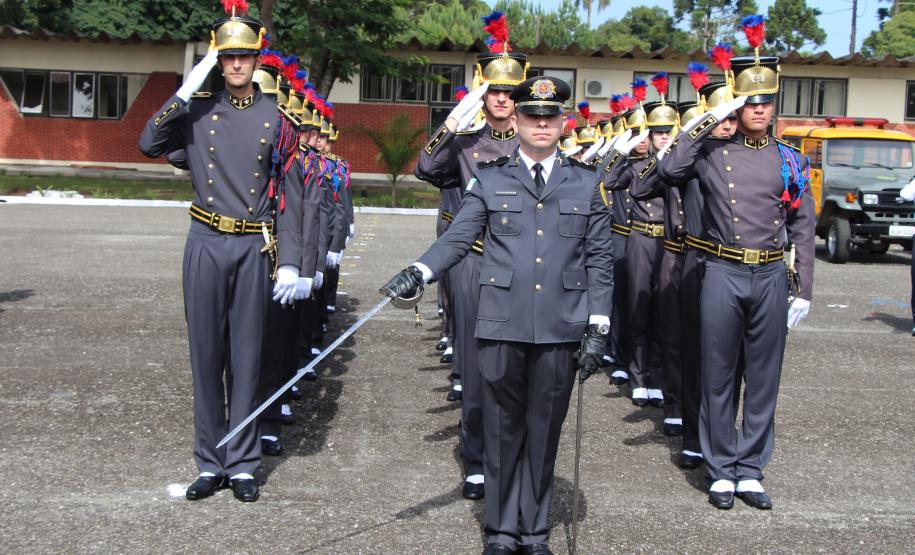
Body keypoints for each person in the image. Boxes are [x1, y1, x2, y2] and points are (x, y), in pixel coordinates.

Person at [382, 76, 612, 555]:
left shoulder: (587, 183)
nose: (541, 125)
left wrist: (599, 324)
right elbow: (458, 237)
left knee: (544, 432)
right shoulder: (490, 178)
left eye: (550, 118)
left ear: (563, 124)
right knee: (503, 432)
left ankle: (535, 533)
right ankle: (502, 532)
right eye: (532, 116)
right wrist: (419, 271)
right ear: (518, 120)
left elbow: (599, 261)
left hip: (559, 327)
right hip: (501, 322)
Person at [138, 4, 307, 502]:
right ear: (217, 60)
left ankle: (244, 463)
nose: (236, 65)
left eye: (244, 57)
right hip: (206, 242)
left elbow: (291, 194)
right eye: (227, 57)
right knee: (206, 356)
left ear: (258, 60)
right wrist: (187, 88)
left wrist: (293, 259)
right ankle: (209, 462)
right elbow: (149, 144)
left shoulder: (277, 118)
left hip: (253, 243)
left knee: (248, 358)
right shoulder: (196, 110)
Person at [657, 32, 815, 510]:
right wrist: (707, 119)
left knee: (764, 376)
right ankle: (721, 467)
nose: (760, 111)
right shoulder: (708, 154)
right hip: (721, 271)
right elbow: (667, 171)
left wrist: (803, 286)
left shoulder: (789, 159)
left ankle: (751, 468)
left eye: (766, 103)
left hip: (769, 275)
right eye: (750, 103)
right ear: (736, 106)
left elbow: (803, 224)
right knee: (718, 372)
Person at [412, 11, 526, 501]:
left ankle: (515, 455)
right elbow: (425, 167)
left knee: (520, 365)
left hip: (523, 265)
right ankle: (477, 458)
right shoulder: (463, 143)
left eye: (509, 91)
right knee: (478, 370)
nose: (502, 99)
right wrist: (456, 118)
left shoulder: (535, 140)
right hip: (475, 263)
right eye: (493, 90)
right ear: (484, 91)